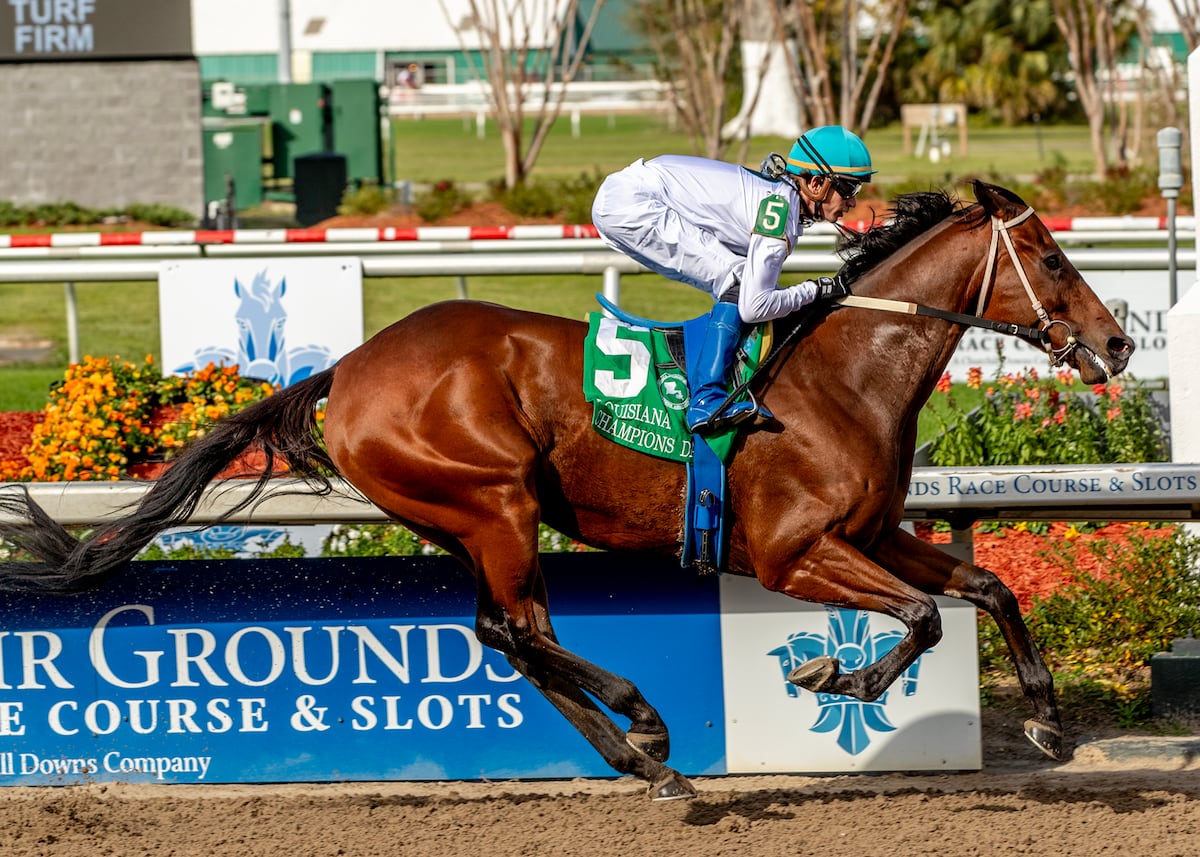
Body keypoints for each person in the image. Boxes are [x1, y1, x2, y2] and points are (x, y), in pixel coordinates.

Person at [591, 125, 875, 434]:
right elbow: (754, 307)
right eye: (849, 189)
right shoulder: (780, 208)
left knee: (741, 282)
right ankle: (707, 400)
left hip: (629, 197)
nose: (852, 203)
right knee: (738, 282)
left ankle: (717, 382)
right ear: (816, 184)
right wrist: (815, 290)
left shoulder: (781, 198)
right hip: (634, 204)